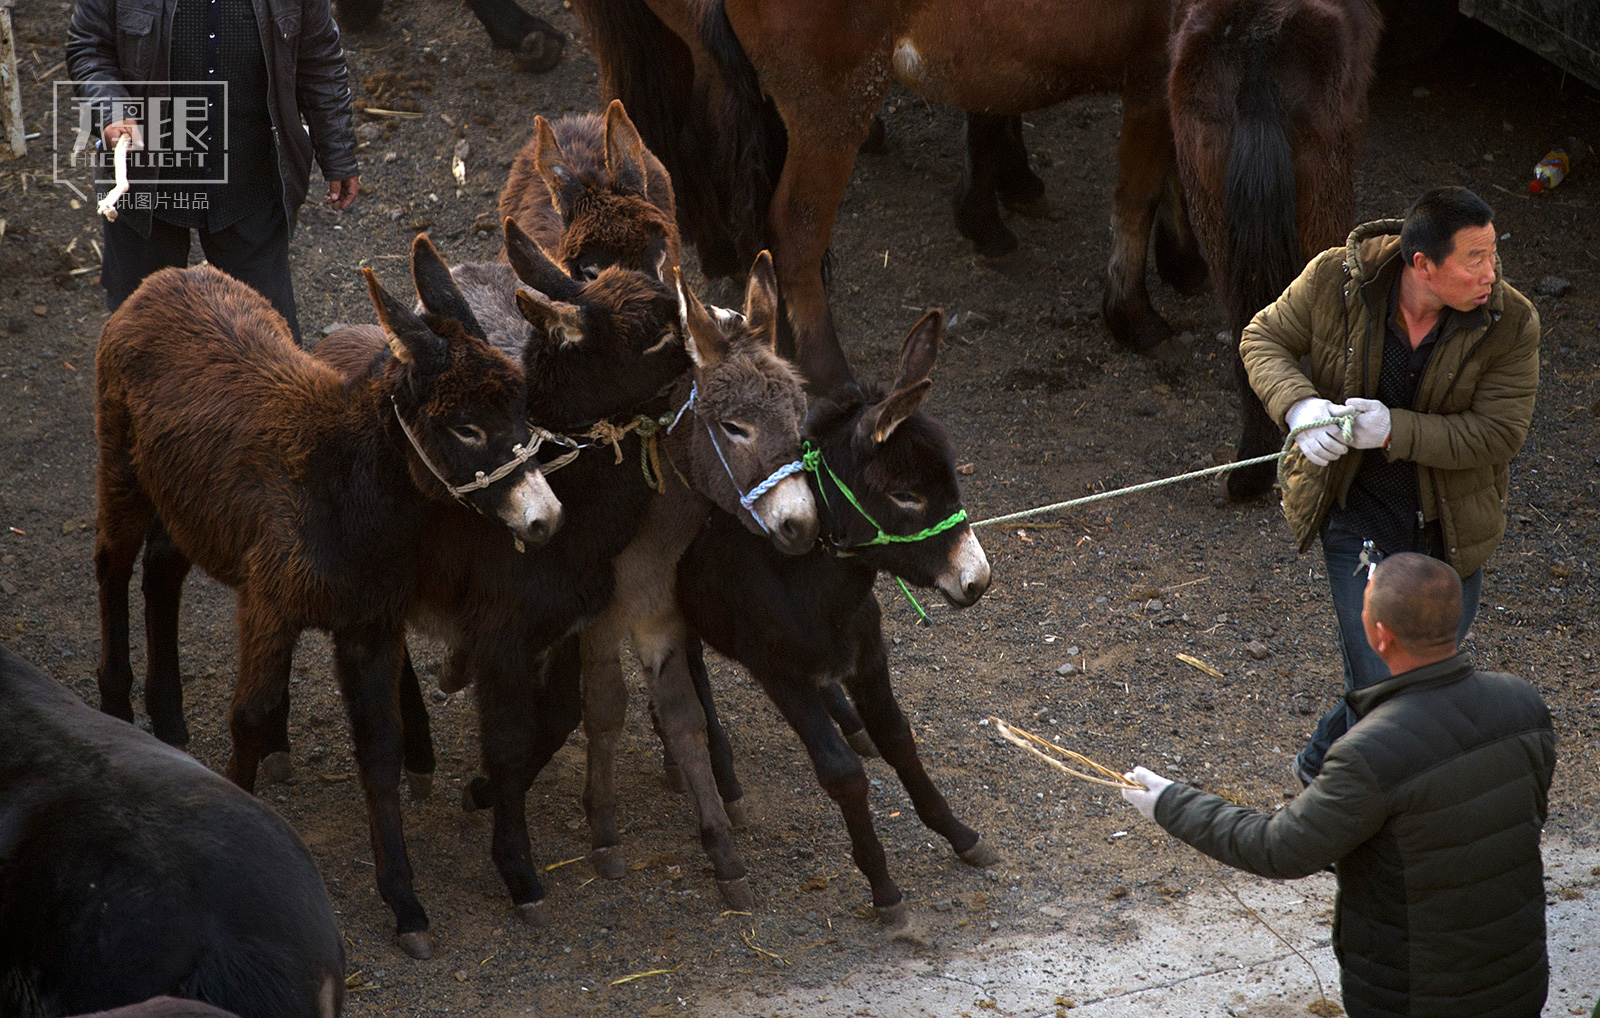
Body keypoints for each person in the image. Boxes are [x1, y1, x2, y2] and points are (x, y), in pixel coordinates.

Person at [1121, 553, 1555, 1018]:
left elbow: (1278, 848)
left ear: (1380, 635)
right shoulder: (1523, 704)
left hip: (1414, 999)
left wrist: (1171, 802)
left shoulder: (1369, 752)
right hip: (1518, 984)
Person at [1239, 186, 1538, 782]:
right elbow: (1262, 339)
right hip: (1358, 516)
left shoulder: (1511, 321)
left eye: (1493, 253)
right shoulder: (1334, 279)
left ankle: (1323, 768)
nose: (1491, 273)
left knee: (1419, 680)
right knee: (1381, 680)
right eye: (1474, 258)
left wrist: (1392, 431)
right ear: (1421, 264)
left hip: (1449, 530)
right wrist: (1300, 409)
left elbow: (1498, 434)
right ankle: (1340, 800)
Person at [66, 0, 361, 343]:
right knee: (141, 344)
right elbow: (89, 46)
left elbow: (319, 60)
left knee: (270, 347)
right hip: (146, 185)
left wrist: (337, 151)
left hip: (250, 187)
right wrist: (112, 109)